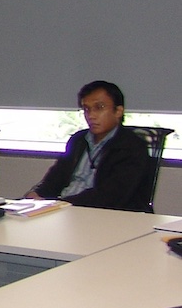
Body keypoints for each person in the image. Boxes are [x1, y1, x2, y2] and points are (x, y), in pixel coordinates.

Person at [27, 80, 152, 212]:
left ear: (118, 111)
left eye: (99, 107)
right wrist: (37, 195)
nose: (91, 115)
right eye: (87, 109)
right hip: (64, 209)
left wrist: (61, 204)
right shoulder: (78, 140)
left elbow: (111, 196)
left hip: (104, 214)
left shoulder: (132, 146)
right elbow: (56, 178)